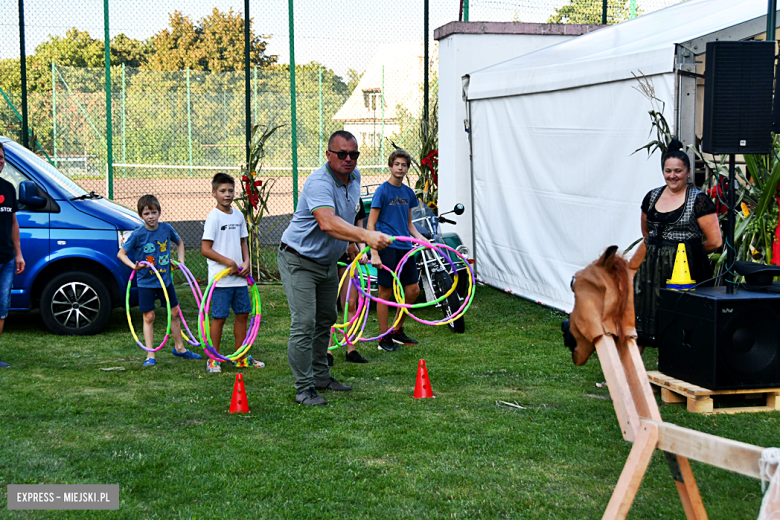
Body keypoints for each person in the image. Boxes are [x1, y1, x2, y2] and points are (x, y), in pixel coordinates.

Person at [278, 130, 392, 405]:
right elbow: (327, 222)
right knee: (305, 322)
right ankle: (304, 388)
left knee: (326, 319)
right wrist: (366, 237)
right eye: (342, 154)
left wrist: (351, 247)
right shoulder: (319, 182)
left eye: (354, 154)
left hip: (328, 262)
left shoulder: (355, 178)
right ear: (329, 155)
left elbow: (347, 215)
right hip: (299, 259)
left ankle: (321, 377)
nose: (348, 159)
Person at [634, 139, 723, 347]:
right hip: (650, 269)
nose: (672, 176)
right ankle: (628, 375)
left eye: (678, 171)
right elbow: (646, 232)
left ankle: (677, 367)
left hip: (684, 270)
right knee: (640, 316)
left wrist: (687, 252)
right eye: (668, 171)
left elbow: (715, 241)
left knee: (680, 318)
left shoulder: (699, 200)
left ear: (688, 172)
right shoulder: (652, 196)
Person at [118, 194, 201, 367]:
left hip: (165, 280)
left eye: (154, 212)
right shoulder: (138, 234)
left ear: (159, 213)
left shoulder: (166, 229)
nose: (151, 216)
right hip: (146, 283)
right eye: (147, 213)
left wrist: (181, 261)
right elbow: (121, 254)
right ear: (141, 216)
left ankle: (179, 348)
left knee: (175, 313)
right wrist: (134, 266)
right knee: (149, 316)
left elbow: (179, 242)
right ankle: (150, 355)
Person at [201, 173, 263, 373]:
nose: (227, 195)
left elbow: (243, 242)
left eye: (230, 191)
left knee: (243, 314)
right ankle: (213, 358)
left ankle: (241, 356)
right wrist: (228, 262)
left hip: (239, 279)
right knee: (219, 317)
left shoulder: (237, 216)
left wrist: (246, 262)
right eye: (222, 191)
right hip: (221, 281)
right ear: (213, 193)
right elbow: (205, 249)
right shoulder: (213, 217)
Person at [368, 149, 426, 352]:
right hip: (386, 247)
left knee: (413, 291)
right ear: (390, 166)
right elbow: (370, 226)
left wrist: (421, 239)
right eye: (397, 164)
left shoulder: (408, 193)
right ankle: (384, 338)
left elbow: (409, 225)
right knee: (386, 293)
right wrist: (374, 253)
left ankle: (396, 330)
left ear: (407, 168)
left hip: (405, 247)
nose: (400, 168)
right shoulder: (382, 191)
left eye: (404, 165)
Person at [326, 202, 369, 366]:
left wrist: (362, 250)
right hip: (330, 253)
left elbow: (360, 229)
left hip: (350, 257)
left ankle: (351, 350)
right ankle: (327, 352)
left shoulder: (356, 198)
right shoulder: (328, 195)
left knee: (351, 304)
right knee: (329, 305)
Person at [0, 143, 24, 368]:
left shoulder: (8, 188)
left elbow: (13, 223)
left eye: (1, 157)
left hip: (6, 259)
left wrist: (18, 254)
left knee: (2, 307)